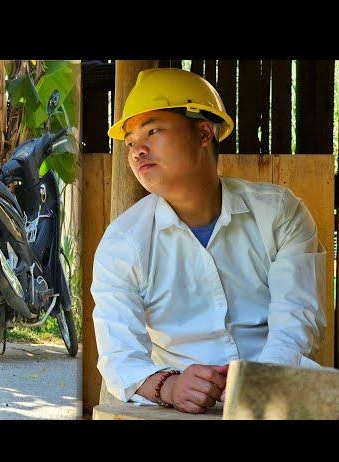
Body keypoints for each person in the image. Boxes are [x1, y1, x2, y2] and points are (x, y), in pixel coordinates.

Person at [91, 68, 326, 414]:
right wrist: (169, 386)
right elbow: (119, 356)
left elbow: (297, 320)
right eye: (129, 143)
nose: (137, 151)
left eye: (152, 131)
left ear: (204, 133)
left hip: (281, 392)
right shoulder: (122, 243)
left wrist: (258, 383)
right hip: (180, 408)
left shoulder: (279, 214)